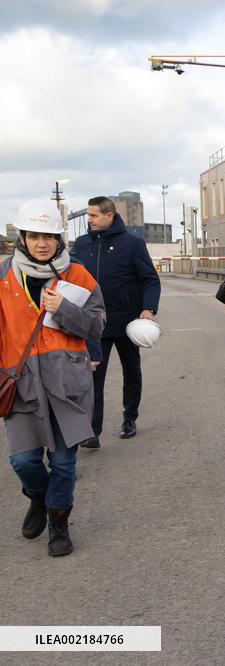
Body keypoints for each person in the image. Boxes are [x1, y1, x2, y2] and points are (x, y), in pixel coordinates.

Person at [2, 200, 106, 556]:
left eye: (49, 236)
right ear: (23, 238)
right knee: (23, 460)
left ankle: (58, 520)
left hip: (67, 381)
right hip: (21, 381)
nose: (42, 243)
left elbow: (96, 324)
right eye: (34, 236)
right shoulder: (3, 278)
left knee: (63, 462)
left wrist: (65, 310)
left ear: (59, 239)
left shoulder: (77, 275)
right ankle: (38, 497)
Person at [71, 196, 160, 447]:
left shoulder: (132, 244)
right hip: (92, 324)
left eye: (94, 216)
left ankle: (129, 418)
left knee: (131, 372)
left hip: (127, 322)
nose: (89, 220)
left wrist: (148, 309)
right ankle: (92, 430)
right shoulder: (80, 244)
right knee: (93, 377)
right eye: (88, 216)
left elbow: (150, 279)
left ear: (109, 216)